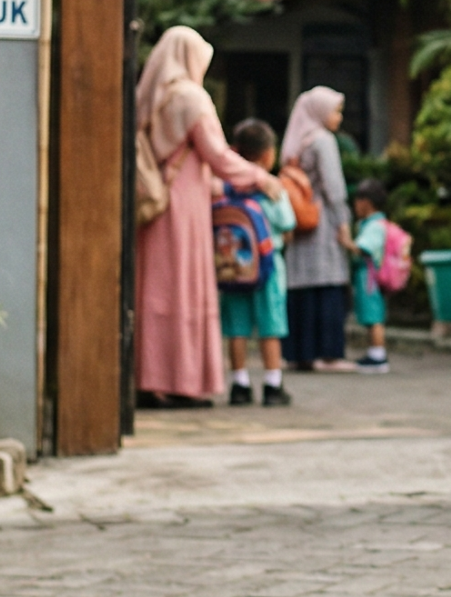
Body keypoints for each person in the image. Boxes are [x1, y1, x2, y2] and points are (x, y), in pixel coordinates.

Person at [134, 26, 281, 409]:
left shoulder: (149, 95)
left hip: (154, 203)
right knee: (185, 291)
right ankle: (181, 382)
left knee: (152, 291)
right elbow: (218, 156)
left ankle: (147, 379)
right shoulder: (192, 99)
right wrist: (260, 177)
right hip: (184, 209)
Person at [219, 118, 295, 406]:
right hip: (267, 266)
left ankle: (239, 384)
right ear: (268, 155)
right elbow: (287, 222)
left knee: (236, 327)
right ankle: (272, 384)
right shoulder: (269, 187)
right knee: (270, 325)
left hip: (232, 268)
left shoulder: (227, 186)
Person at [283, 87, 356, 373]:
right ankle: (328, 355)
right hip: (322, 222)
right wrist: (343, 223)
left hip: (299, 220)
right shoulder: (323, 141)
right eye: (335, 111)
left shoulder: (296, 141)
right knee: (327, 285)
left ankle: (300, 353)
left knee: (301, 289)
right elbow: (334, 187)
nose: (338, 117)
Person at [346, 178, 393, 373]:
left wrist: (345, 241)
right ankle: (374, 353)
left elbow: (363, 249)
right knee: (370, 315)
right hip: (369, 277)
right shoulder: (373, 223)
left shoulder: (375, 226)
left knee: (373, 316)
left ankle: (378, 356)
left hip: (370, 277)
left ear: (366, 202)